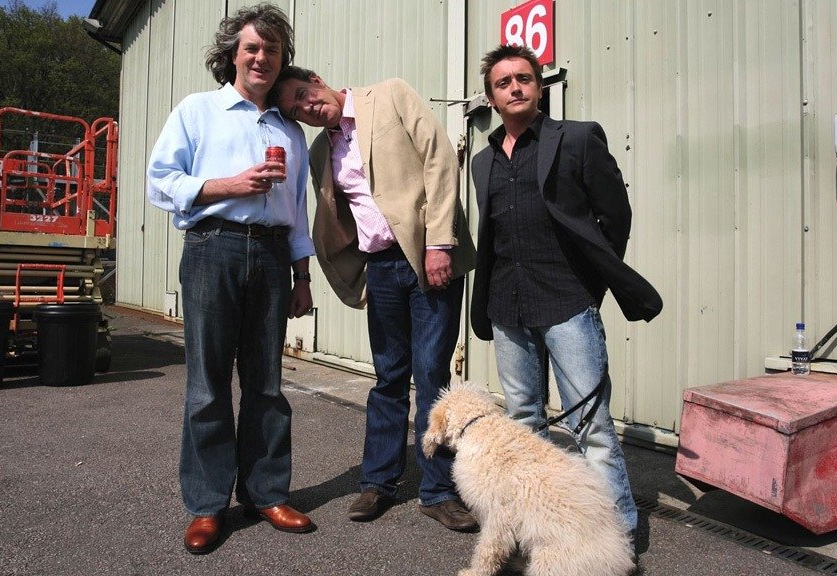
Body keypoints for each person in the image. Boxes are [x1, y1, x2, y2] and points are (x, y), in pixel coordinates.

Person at [470, 44, 663, 545]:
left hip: (565, 301)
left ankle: (616, 541)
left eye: (524, 79)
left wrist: (591, 281)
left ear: (539, 86)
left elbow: (614, 216)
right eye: (503, 82)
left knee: (591, 426)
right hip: (507, 305)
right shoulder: (481, 161)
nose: (515, 87)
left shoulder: (576, 139)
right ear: (491, 97)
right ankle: (543, 532)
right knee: (524, 424)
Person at [272, 67, 478, 531]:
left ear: (318, 79)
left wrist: (440, 243)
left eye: (305, 94)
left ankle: (439, 491)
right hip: (381, 267)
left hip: (428, 257)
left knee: (431, 374)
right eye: (296, 109)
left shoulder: (389, 96)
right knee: (388, 376)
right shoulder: (321, 149)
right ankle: (378, 483)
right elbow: (334, 216)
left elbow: (440, 160)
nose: (308, 106)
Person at [146, 4, 316, 555]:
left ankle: (266, 492)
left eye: (272, 49)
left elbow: (298, 208)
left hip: (270, 257)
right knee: (207, 384)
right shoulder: (199, 111)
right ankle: (206, 505)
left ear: (282, 59)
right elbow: (160, 181)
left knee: (267, 383)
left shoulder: (290, 131)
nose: (262, 56)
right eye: (252, 47)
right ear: (232, 55)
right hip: (212, 250)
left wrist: (302, 275)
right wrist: (228, 185)